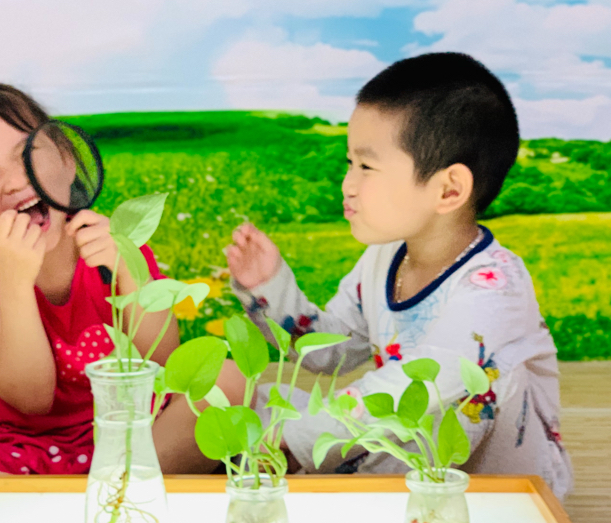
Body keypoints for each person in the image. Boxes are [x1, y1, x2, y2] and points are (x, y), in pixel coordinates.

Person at [0, 75, 244, 513]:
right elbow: (32, 398)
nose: (15, 181)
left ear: (67, 161)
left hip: (137, 438)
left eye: (27, 154)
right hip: (31, 458)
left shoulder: (116, 245)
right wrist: (15, 284)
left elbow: (164, 363)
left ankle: (79, 505)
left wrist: (130, 272)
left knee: (229, 379)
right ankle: (101, 505)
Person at [225, 52, 573, 499]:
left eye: (366, 167)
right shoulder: (385, 257)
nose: (348, 184)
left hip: (499, 483)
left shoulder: (495, 288)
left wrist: (290, 441)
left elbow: (412, 390)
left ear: (448, 189)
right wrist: (269, 287)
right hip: (399, 436)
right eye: (349, 163)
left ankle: (325, 478)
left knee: (459, 391)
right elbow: (331, 352)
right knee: (257, 397)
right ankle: (325, 472)